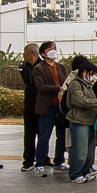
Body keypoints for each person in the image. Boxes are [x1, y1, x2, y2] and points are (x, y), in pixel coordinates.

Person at [60, 56, 97, 184]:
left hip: (90, 120)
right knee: (80, 149)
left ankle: (85, 171)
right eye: (91, 73)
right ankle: (75, 173)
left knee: (89, 150)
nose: (93, 76)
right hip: (79, 120)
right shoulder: (75, 84)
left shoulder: (88, 85)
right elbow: (80, 100)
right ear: (84, 72)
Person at [30, 41, 66, 175]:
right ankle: (40, 162)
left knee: (61, 135)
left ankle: (60, 160)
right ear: (43, 53)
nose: (53, 51)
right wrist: (58, 88)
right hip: (48, 106)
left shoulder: (61, 67)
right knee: (44, 136)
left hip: (61, 106)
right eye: (50, 49)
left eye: (54, 48)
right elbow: (40, 87)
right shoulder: (39, 68)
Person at [17, 44, 42, 172]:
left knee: (42, 133)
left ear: (32, 52)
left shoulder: (43, 65)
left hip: (41, 104)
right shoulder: (24, 67)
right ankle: (28, 160)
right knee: (29, 134)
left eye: (25, 52)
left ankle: (43, 157)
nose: (23, 54)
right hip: (29, 104)